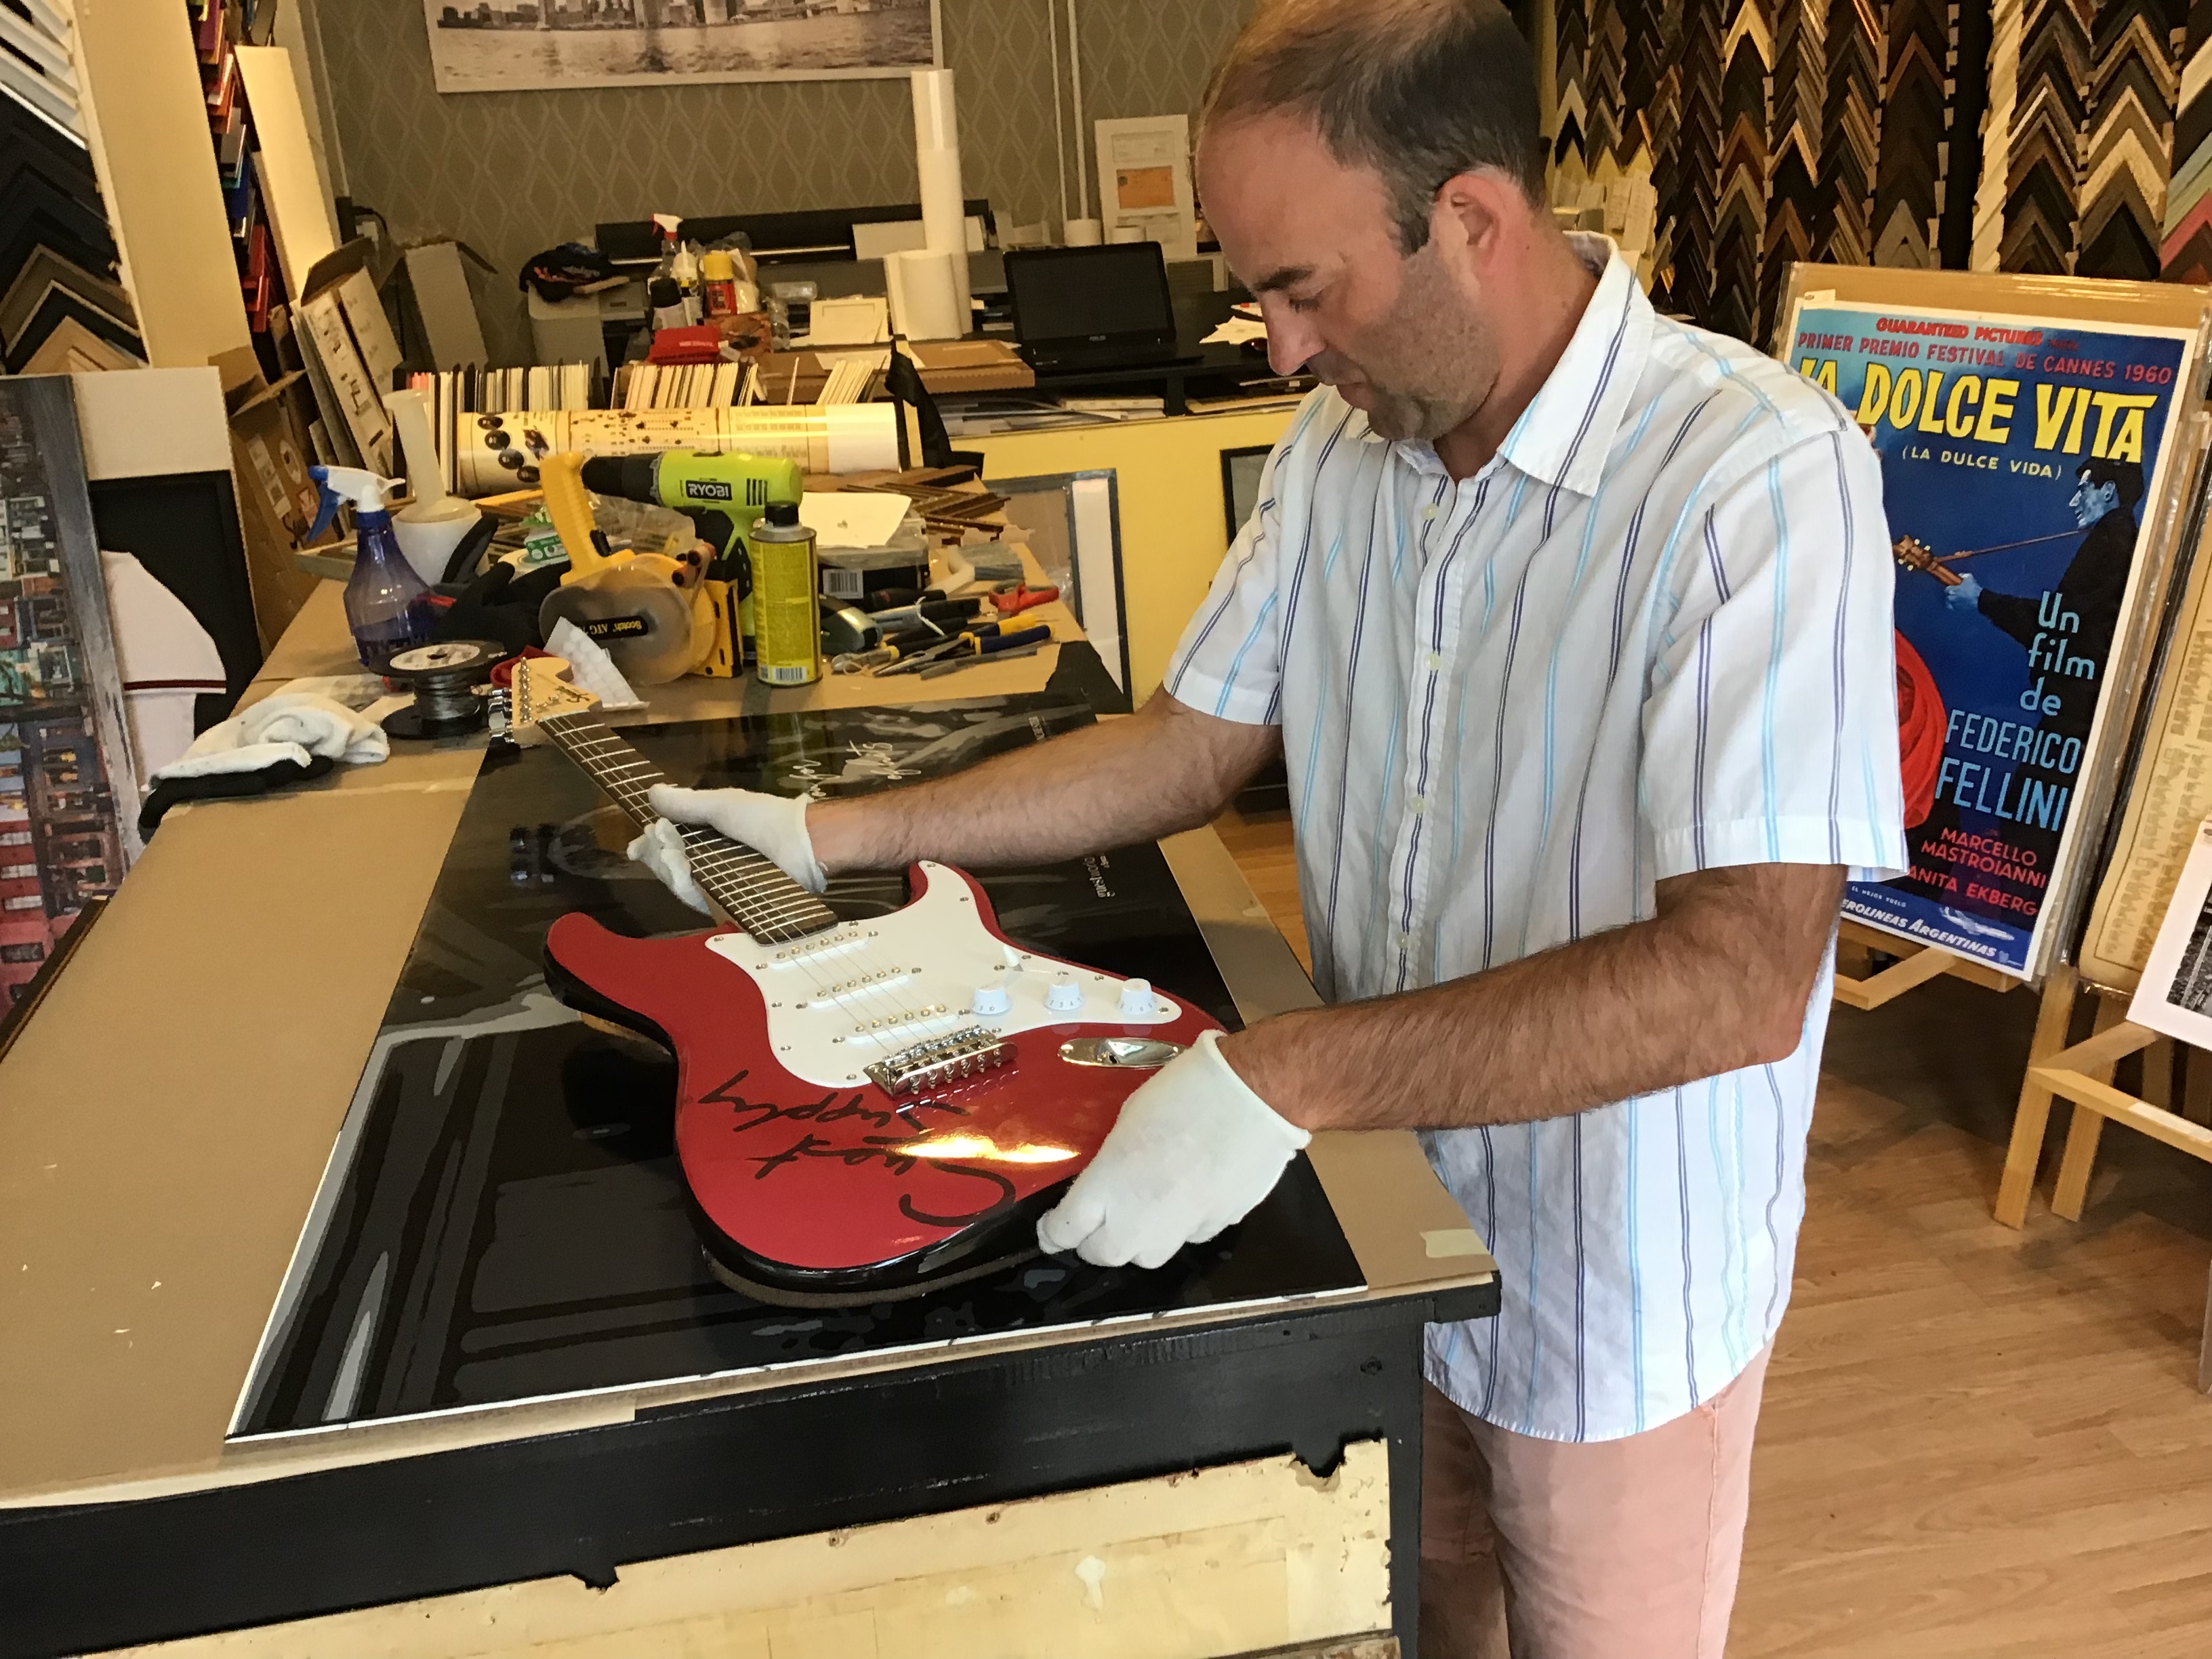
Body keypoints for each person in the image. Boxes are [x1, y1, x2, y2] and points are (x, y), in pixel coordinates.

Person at [632, 1, 1905, 1652]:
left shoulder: (1753, 479)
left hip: (1617, 1301)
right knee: (1417, 1615)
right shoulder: (1342, 452)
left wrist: (1283, 1070)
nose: (1285, 351)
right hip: (1386, 1226)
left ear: (1472, 220)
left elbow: (1737, 977)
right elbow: (1182, 748)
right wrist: (831, 830)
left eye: (1304, 290)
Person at [1943, 457, 2142, 869]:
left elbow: (2058, 623)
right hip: (2072, 715)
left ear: (2108, 492)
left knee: (2028, 830)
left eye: (2083, 489)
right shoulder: (2115, 538)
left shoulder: (2113, 540)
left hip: (2073, 719)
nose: (2074, 501)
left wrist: (1981, 600)